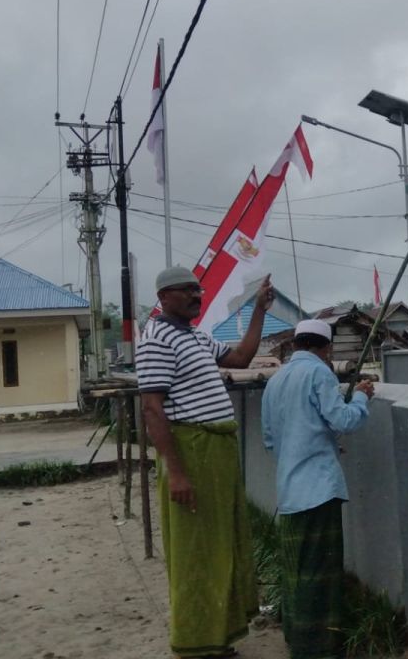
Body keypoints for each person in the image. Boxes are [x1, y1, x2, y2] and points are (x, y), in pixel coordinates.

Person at [137, 267, 275, 659]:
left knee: (222, 543)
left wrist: (259, 309)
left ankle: (218, 636)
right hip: (192, 451)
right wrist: (177, 472)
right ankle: (195, 644)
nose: (198, 296)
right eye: (188, 291)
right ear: (164, 297)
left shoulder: (196, 336)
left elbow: (242, 357)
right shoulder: (156, 340)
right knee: (196, 550)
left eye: (199, 290)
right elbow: (152, 409)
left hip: (216, 450)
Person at [261, 320, 375, 659]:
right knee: (321, 571)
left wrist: (318, 443)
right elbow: (344, 421)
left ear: (295, 344)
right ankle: (319, 646)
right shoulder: (320, 374)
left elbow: (272, 439)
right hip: (319, 489)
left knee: (298, 569)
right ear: (325, 348)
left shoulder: (275, 380)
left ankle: (299, 639)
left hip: (290, 490)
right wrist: (361, 397)